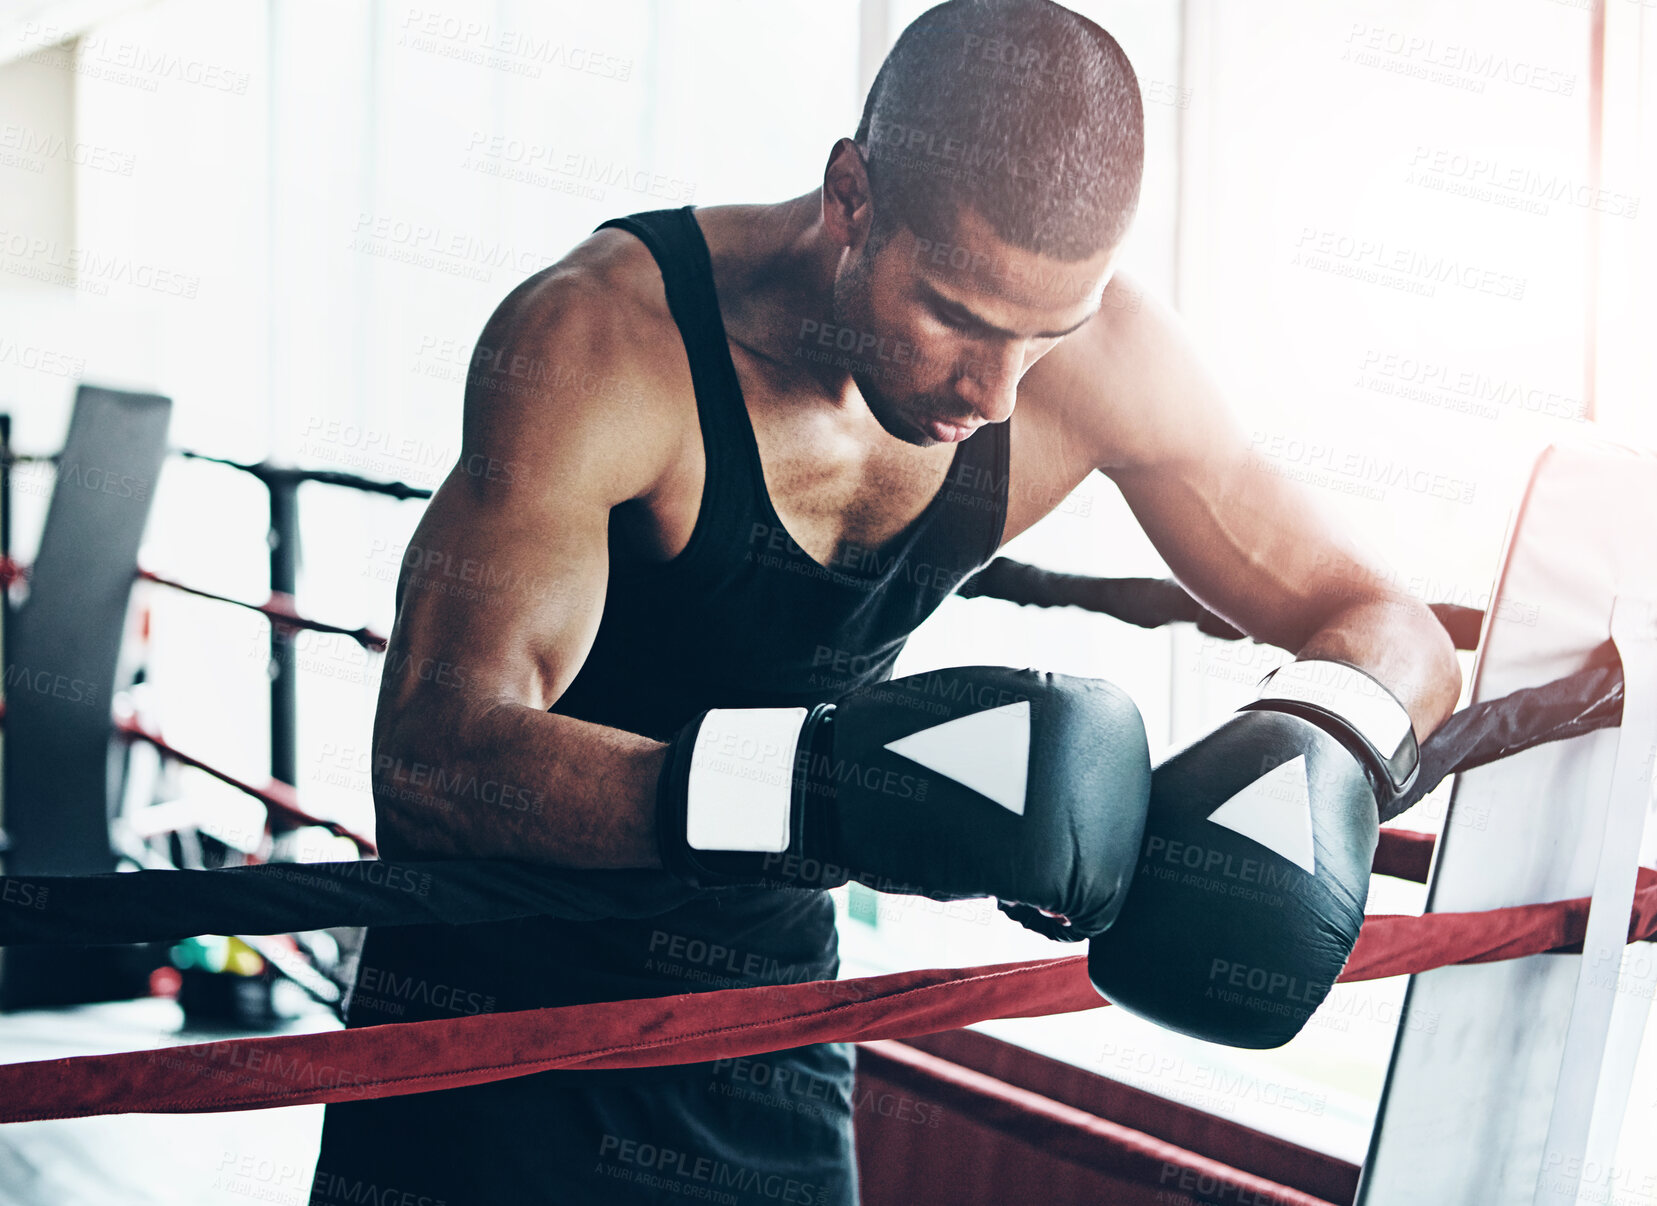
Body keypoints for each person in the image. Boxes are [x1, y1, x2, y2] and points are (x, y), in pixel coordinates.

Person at [309, 1, 1461, 1202]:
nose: (997, 391)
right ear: (852, 196)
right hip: (486, 1015)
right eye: (957, 316)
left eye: (1044, 334)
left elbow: (1394, 630)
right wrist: (816, 791)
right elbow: (438, 764)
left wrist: (1321, 746)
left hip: (767, 1019)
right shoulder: (603, 341)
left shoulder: (1104, 361)